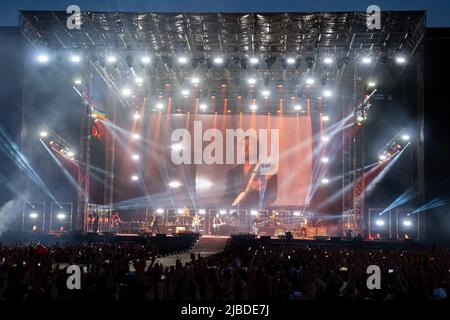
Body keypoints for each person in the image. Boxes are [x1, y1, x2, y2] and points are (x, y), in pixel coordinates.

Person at [222, 136, 277, 209]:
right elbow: (227, 196)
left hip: (259, 216)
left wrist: (260, 190)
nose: (246, 148)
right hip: (236, 215)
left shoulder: (267, 168)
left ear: (257, 148)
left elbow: (272, 196)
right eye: (243, 146)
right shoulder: (233, 172)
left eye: (249, 145)